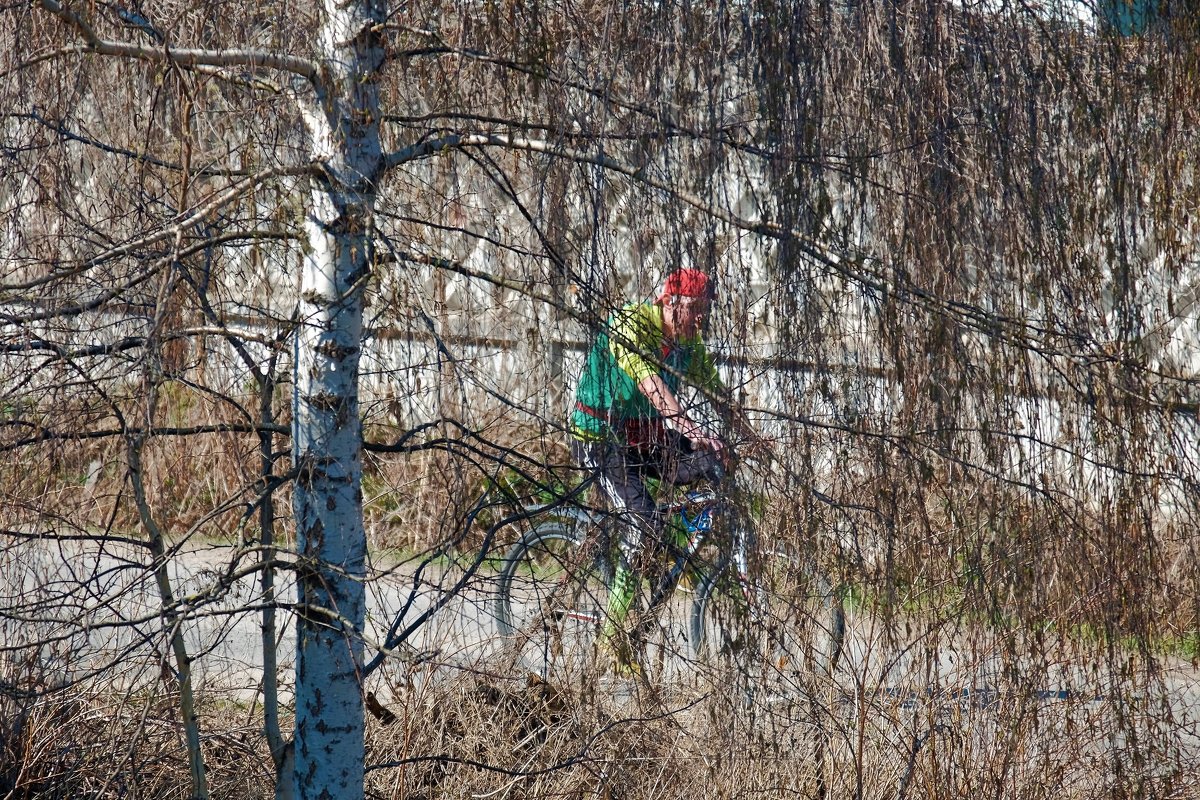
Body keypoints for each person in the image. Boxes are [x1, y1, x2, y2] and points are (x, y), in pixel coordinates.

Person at [569, 268, 756, 673]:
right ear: (671, 303)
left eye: (708, 312)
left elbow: (718, 394)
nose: (703, 320)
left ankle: (678, 552)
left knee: (713, 462)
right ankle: (613, 637)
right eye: (697, 310)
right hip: (600, 438)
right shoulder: (631, 322)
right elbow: (651, 383)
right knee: (647, 523)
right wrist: (690, 427)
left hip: (644, 435)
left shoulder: (690, 344)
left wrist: (752, 440)